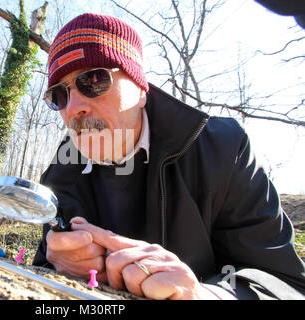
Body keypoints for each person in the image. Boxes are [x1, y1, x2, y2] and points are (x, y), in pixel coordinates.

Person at [32, 12, 305, 300]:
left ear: (140, 89)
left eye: (94, 80)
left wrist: (203, 295)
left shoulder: (224, 151)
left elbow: (284, 282)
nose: (74, 107)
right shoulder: (59, 178)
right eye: (59, 95)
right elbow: (40, 272)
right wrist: (56, 263)